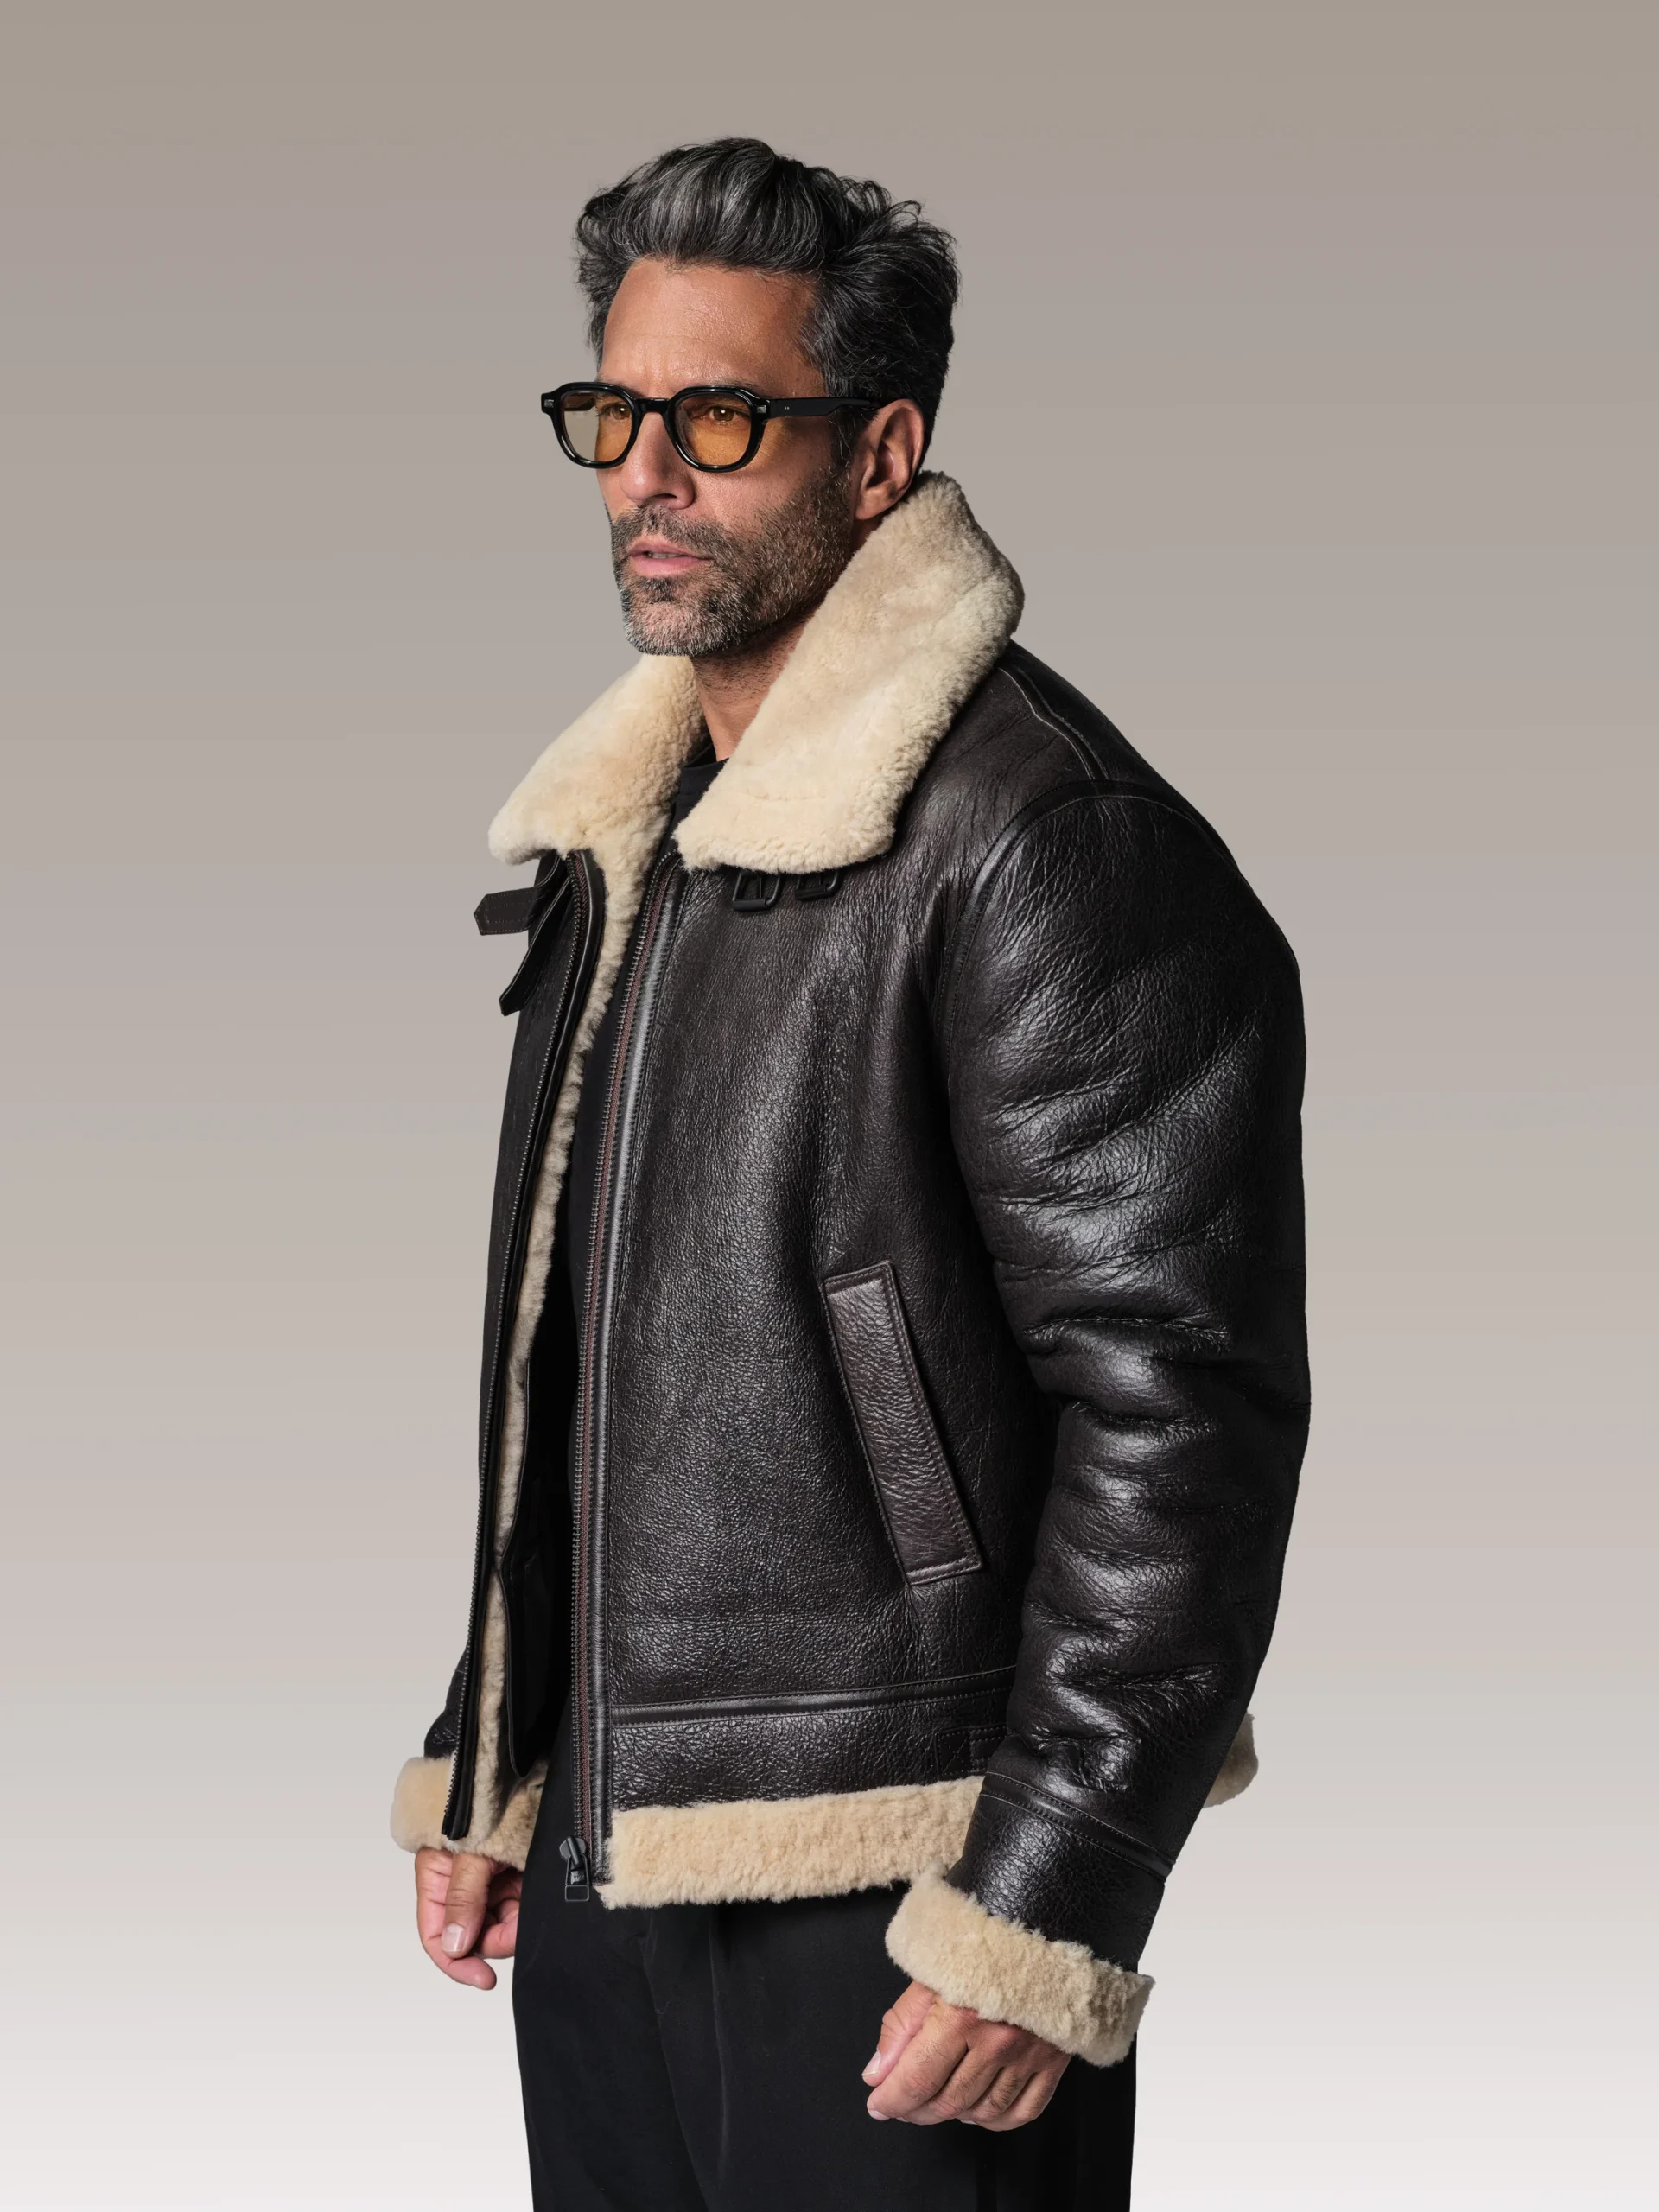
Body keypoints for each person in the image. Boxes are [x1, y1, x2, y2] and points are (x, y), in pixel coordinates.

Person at [390, 137, 1308, 2211]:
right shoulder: (636, 832)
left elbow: (1185, 1406)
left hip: (904, 1883)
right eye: (613, 414)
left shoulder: (1043, 838)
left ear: (880, 453)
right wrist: (502, 1732)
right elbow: (601, 1347)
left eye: (720, 418)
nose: (648, 475)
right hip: (618, 1848)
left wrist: (1048, 1893)